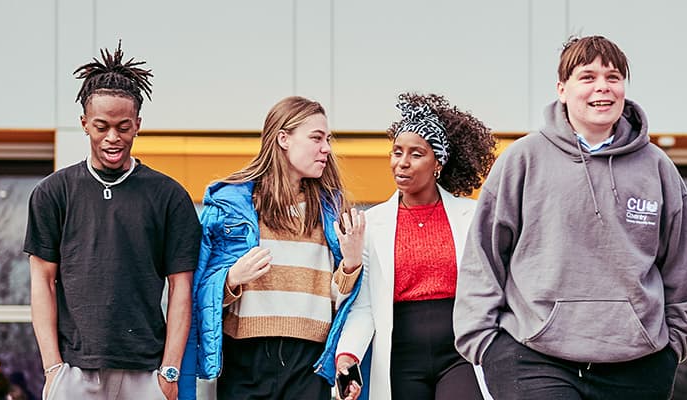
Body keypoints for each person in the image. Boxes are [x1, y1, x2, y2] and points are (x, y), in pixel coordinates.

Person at [453, 35, 687, 399]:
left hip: (638, 364)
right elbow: (484, 257)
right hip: (533, 358)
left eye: (613, 77)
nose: (602, 87)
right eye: (587, 77)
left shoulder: (658, 168)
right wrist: (484, 344)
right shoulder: (523, 160)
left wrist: (674, 346)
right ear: (562, 89)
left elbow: (685, 270)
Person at [25, 44, 198, 400]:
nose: (113, 137)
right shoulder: (54, 192)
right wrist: (53, 368)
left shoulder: (169, 196)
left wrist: (170, 371)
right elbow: (43, 282)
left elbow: (182, 288)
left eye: (123, 127)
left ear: (138, 125)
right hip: (73, 371)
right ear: (84, 124)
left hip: (147, 373)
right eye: (102, 126)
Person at [182, 96, 367, 400]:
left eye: (328, 139)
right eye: (316, 138)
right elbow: (199, 290)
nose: (327, 149)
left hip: (311, 361)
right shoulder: (232, 205)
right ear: (283, 138)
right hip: (245, 358)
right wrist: (230, 280)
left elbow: (341, 303)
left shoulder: (333, 211)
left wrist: (351, 263)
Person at [336, 93, 498, 400]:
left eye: (416, 154)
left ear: (438, 162)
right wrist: (348, 355)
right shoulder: (372, 224)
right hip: (401, 358)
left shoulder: (472, 215)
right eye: (397, 152)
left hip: (461, 351)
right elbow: (365, 306)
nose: (402, 163)